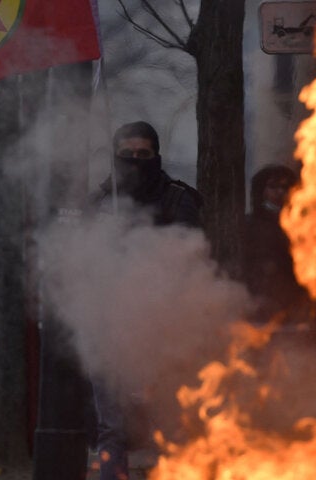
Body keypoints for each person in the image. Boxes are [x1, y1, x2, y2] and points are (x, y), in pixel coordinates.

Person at [89, 121, 202, 480]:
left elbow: (184, 258)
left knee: (170, 423)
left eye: (143, 154)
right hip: (110, 328)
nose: (135, 161)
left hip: (163, 331)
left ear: (156, 156)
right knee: (112, 428)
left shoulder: (179, 199)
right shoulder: (99, 203)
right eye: (127, 155)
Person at [240, 164, 309, 323]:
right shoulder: (249, 224)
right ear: (261, 191)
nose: (279, 193)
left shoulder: (301, 227)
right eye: (273, 187)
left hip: (292, 303)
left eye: (285, 188)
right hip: (257, 302)